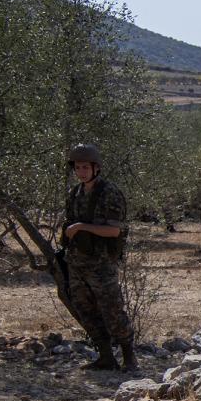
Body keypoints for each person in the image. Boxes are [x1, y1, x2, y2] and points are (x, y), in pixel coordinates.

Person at [60, 142, 136, 371]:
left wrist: (82, 227)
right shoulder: (75, 194)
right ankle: (105, 357)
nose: (80, 172)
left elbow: (114, 230)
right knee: (86, 310)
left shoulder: (109, 193)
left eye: (85, 167)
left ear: (96, 168)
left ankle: (129, 358)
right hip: (78, 263)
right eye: (77, 168)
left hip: (102, 264)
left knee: (112, 309)